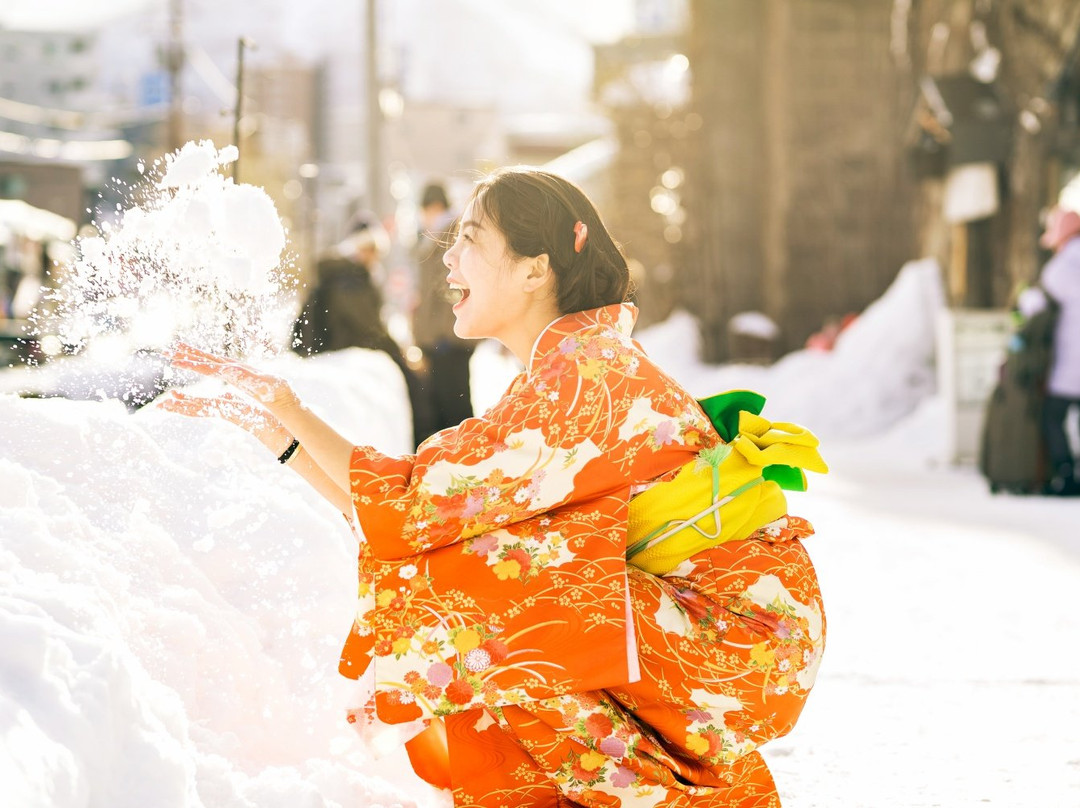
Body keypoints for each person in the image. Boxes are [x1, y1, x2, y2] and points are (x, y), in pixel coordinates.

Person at [159, 166, 827, 806]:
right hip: (710, 631)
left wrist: (286, 408)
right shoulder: (567, 365)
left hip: (741, 641)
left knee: (495, 587)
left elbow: (416, 506)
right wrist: (277, 432)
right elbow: (422, 521)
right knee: (488, 575)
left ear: (537, 268)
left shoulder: (585, 377)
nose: (450, 262)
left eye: (471, 242)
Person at [292, 213, 436, 449]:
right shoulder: (348, 279)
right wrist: (401, 355)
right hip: (342, 350)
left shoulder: (345, 275)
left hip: (342, 349)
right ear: (358, 248)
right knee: (415, 383)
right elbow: (369, 328)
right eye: (370, 248)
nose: (374, 256)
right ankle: (424, 443)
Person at [412, 181, 476, 440]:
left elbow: (447, 290)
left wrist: (440, 334)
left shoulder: (449, 234)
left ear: (435, 206)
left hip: (449, 339)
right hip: (440, 339)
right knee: (442, 405)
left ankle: (464, 456)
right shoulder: (434, 234)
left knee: (454, 405)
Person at [1026, 206, 1080, 496]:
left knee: (1052, 416)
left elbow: (1037, 306)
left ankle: (1066, 474)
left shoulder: (1060, 269)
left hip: (1070, 364)